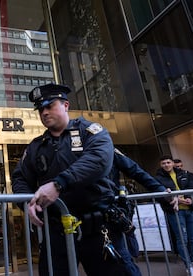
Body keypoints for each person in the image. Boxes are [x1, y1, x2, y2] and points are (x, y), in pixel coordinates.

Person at [11, 83, 140, 275]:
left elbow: (98, 160)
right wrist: (28, 202)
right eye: (40, 109)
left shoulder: (91, 132)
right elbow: (20, 178)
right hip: (56, 232)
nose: (44, 112)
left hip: (98, 230)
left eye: (49, 106)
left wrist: (58, 184)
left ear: (65, 105)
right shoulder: (36, 146)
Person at [110, 149, 178, 259]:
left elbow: (137, 172)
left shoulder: (107, 147)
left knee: (122, 258)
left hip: (111, 212)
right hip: (81, 213)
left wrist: (161, 191)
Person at [155, 155, 193, 276]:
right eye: (163, 163)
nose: (166, 165)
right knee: (182, 239)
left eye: (168, 162)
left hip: (190, 210)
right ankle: (189, 267)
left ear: (173, 163)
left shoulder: (185, 174)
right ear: (161, 165)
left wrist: (191, 199)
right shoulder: (158, 178)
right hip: (174, 211)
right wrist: (175, 199)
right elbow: (159, 195)